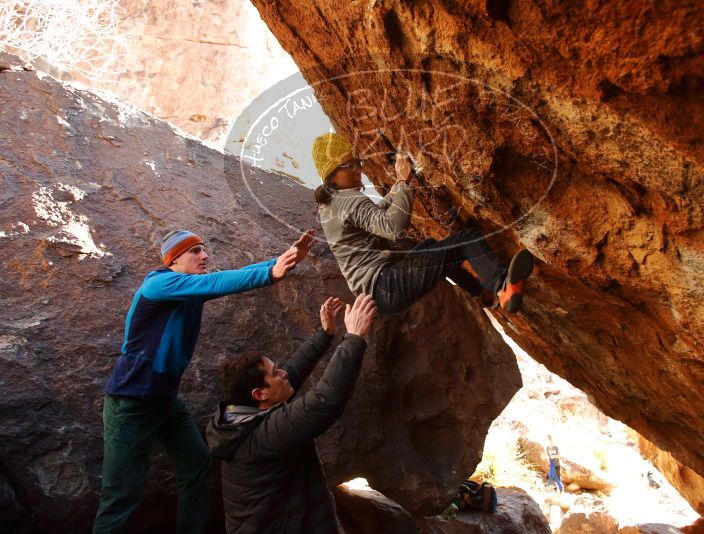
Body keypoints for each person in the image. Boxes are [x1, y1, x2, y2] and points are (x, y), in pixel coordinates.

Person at [93, 228, 315, 534]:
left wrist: (283, 260)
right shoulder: (158, 284)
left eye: (203, 249)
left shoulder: (187, 292)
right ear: (174, 259)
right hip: (131, 402)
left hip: (163, 401)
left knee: (196, 464)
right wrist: (270, 274)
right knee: (121, 493)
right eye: (195, 251)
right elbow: (216, 282)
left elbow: (230, 276)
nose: (205, 255)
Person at [311, 132, 537, 315]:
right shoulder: (347, 199)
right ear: (331, 175)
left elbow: (371, 218)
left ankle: (483, 294)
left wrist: (399, 187)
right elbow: (393, 229)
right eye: (350, 166)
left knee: (431, 248)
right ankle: (502, 288)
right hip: (386, 283)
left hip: (379, 293)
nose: (358, 169)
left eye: (357, 163)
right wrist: (401, 181)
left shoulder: (330, 202)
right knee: (467, 239)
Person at [206, 294, 377, 534]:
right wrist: (354, 338)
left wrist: (325, 334)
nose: (283, 373)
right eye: (275, 373)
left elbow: (291, 372)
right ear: (260, 394)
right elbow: (324, 401)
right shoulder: (262, 437)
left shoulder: (238, 419)